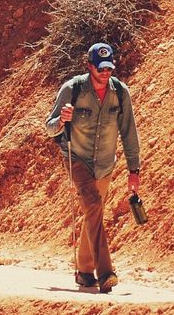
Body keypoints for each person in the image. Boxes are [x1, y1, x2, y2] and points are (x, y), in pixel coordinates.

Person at [45, 41, 141, 295]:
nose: (105, 72)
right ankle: (105, 273)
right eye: (100, 68)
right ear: (89, 66)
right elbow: (49, 126)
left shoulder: (120, 93)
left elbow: (129, 132)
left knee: (93, 214)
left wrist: (134, 170)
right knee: (94, 207)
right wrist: (61, 120)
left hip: (105, 164)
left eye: (109, 67)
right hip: (77, 159)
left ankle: (84, 272)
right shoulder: (73, 89)